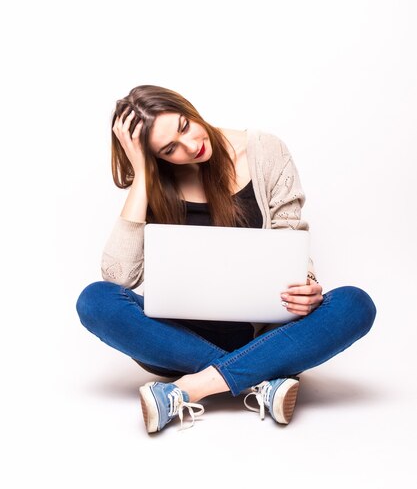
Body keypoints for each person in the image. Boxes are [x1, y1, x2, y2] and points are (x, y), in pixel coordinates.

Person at [76, 84, 377, 434]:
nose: (190, 146)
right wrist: (142, 175)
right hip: (177, 341)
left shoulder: (265, 151)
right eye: (170, 149)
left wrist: (305, 286)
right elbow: (118, 277)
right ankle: (259, 379)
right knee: (94, 300)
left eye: (184, 126)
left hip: (267, 333)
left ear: (187, 107)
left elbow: (290, 239)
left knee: (355, 304)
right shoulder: (156, 181)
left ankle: (190, 388)